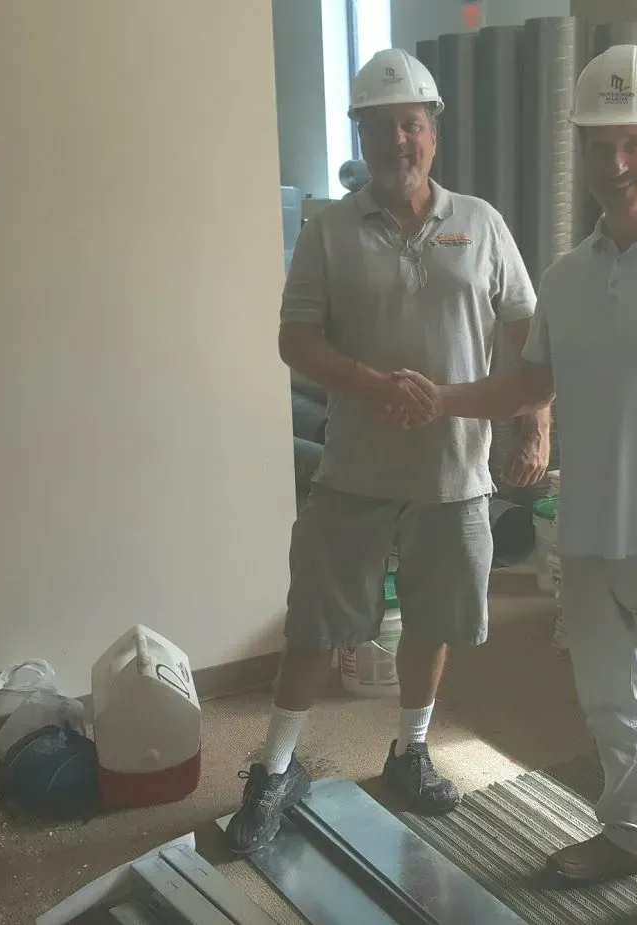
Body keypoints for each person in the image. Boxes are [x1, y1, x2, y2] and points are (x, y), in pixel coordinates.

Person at [396, 44, 637, 924]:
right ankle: (624, 829)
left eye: (632, 142)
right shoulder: (566, 277)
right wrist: (442, 396)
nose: (611, 165)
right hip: (591, 534)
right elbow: (530, 386)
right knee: (609, 702)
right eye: (597, 144)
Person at [223, 48, 550, 856]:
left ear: (432, 133)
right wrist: (373, 385)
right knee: (315, 624)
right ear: (360, 136)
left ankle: (408, 748)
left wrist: (534, 422)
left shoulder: (482, 223)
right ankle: (275, 768)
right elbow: (293, 338)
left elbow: (529, 338)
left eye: (412, 125)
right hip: (356, 470)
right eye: (381, 127)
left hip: (455, 473)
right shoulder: (329, 229)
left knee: (434, 622)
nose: (398, 141)